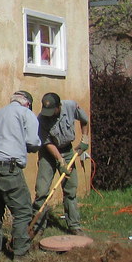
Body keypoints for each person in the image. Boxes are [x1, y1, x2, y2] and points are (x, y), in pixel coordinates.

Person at [0, 90, 41, 258]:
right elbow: (33, 142)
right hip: (9, 168)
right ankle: (21, 254)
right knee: (22, 211)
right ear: (28, 104)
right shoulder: (25, 113)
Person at [33, 92, 90, 234]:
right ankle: (38, 226)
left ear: (59, 106)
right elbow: (47, 143)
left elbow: (85, 120)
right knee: (42, 190)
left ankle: (74, 225)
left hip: (67, 150)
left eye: (53, 111)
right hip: (48, 153)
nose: (50, 114)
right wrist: (60, 161)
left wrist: (84, 139)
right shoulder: (42, 119)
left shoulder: (70, 106)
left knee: (70, 189)